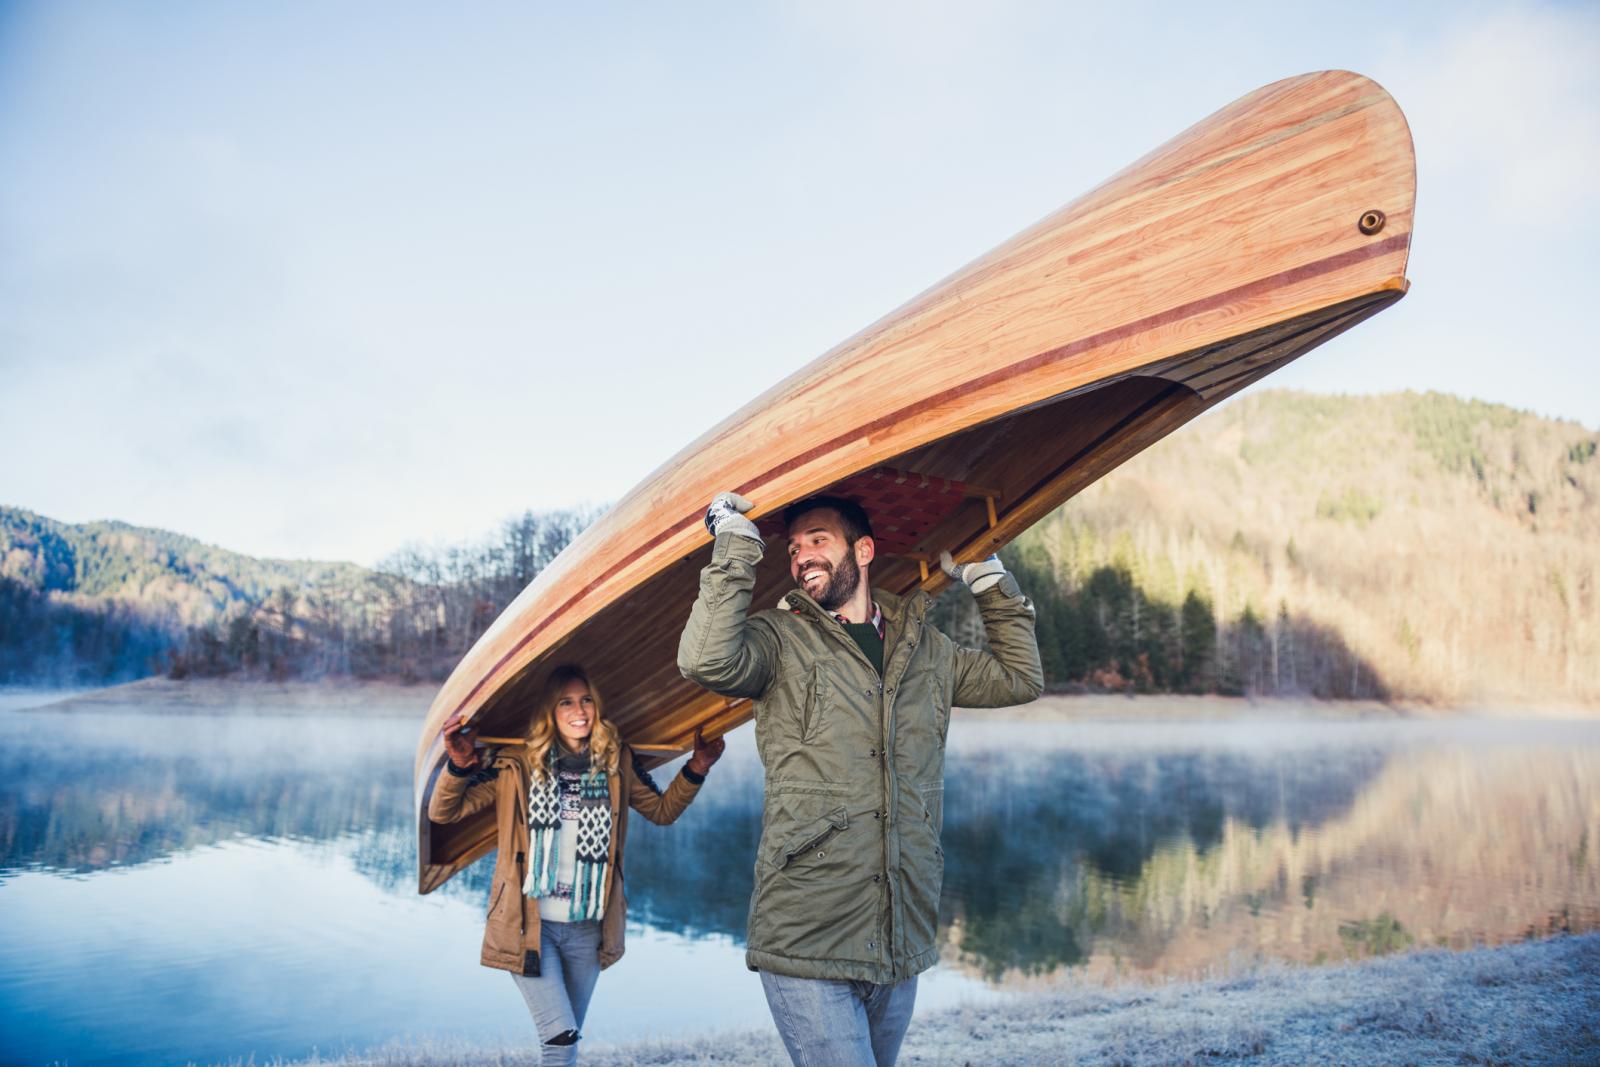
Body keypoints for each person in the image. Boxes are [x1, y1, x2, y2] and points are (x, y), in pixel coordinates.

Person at [677, 491, 1043, 1067]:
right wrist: (735, 549)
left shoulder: (926, 649)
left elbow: (1019, 677)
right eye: (794, 548)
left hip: (900, 932)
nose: (802, 557)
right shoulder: (777, 639)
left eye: (818, 540)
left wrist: (988, 580)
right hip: (807, 932)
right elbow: (704, 660)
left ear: (864, 550)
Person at [429, 664, 724, 1065]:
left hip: (589, 927)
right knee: (560, 1037)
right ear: (550, 711)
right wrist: (460, 766)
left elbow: (661, 810)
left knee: (562, 1046)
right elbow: (444, 812)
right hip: (531, 927)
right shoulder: (516, 765)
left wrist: (698, 768)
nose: (579, 710)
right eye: (566, 702)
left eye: (586, 700)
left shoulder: (616, 760)